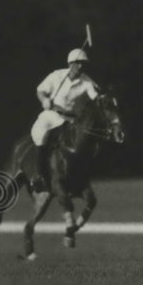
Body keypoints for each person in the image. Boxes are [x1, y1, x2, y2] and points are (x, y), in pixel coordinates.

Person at [30, 48, 100, 191]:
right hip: (52, 114)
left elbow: (97, 96)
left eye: (83, 64)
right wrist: (44, 100)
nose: (81, 66)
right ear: (70, 63)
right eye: (78, 63)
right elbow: (40, 90)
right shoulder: (57, 75)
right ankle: (39, 176)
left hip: (72, 120)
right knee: (40, 136)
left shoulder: (86, 81)